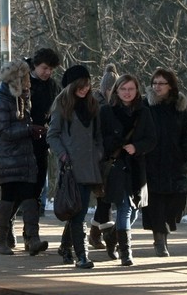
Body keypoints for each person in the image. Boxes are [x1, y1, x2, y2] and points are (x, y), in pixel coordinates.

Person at [47, 64, 102, 269]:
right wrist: (63, 156)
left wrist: (98, 154)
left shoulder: (93, 105)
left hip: (90, 167)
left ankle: (65, 247)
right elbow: (52, 135)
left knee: (78, 210)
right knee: (78, 213)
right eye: (80, 85)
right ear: (71, 85)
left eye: (87, 84)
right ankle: (82, 255)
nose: (85, 88)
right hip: (70, 167)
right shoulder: (62, 105)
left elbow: (98, 137)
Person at [0, 59, 47, 255]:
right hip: (7, 157)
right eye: (25, 78)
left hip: (25, 155)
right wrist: (28, 129)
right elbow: (4, 131)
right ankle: (0, 241)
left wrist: (31, 130)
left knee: (31, 195)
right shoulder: (1, 101)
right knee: (8, 197)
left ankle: (33, 239)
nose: (29, 81)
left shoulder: (23, 98)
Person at [100, 74, 157, 266]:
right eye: (123, 89)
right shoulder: (106, 111)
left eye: (131, 89)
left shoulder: (144, 112)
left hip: (136, 166)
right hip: (116, 165)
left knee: (134, 210)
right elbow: (99, 138)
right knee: (124, 207)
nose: (127, 93)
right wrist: (114, 143)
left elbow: (152, 139)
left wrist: (137, 147)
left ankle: (112, 236)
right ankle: (126, 253)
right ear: (116, 90)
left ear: (137, 90)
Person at [142, 68, 187, 257]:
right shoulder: (145, 105)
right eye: (154, 83)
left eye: (161, 83)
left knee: (175, 201)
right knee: (156, 203)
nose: (157, 87)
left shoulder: (180, 107)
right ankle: (160, 240)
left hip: (175, 161)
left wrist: (186, 156)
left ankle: (165, 229)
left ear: (170, 85)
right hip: (152, 161)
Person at [23, 48, 62, 239]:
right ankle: (7, 232)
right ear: (35, 66)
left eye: (51, 69)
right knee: (19, 189)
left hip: (42, 142)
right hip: (21, 142)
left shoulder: (53, 86)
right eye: (45, 68)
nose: (48, 72)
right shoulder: (23, 83)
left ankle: (31, 234)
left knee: (38, 188)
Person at [88, 63, 120, 250]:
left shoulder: (110, 105)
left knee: (104, 199)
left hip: (109, 158)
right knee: (103, 199)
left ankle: (95, 233)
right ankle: (103, 235)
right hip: (99, 157)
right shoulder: (97, 105)